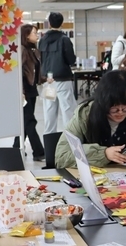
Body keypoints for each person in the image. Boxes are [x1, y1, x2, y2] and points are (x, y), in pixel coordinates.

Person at [39, 12, 78, 134]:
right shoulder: (65, 39)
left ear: (49, 24)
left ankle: (49, 140)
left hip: (49, 81)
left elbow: (40, 59)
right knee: (68, 111)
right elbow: (71, 60)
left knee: (49, 112)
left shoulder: (42, 40)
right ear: (62, 23)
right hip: (63, 81)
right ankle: (70, 140)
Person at [13, 24, 45, 161]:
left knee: (26, 121)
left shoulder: (33, 51)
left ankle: (15, 149)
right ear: (26, 35)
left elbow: (34, 72)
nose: (37, 35)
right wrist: (21, 92)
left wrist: (44, 79)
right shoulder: (22, 50)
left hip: (32, 90)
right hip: (25, 91)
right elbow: (18, 73)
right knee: (30, 120)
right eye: (34, 33)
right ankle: (39, 152)